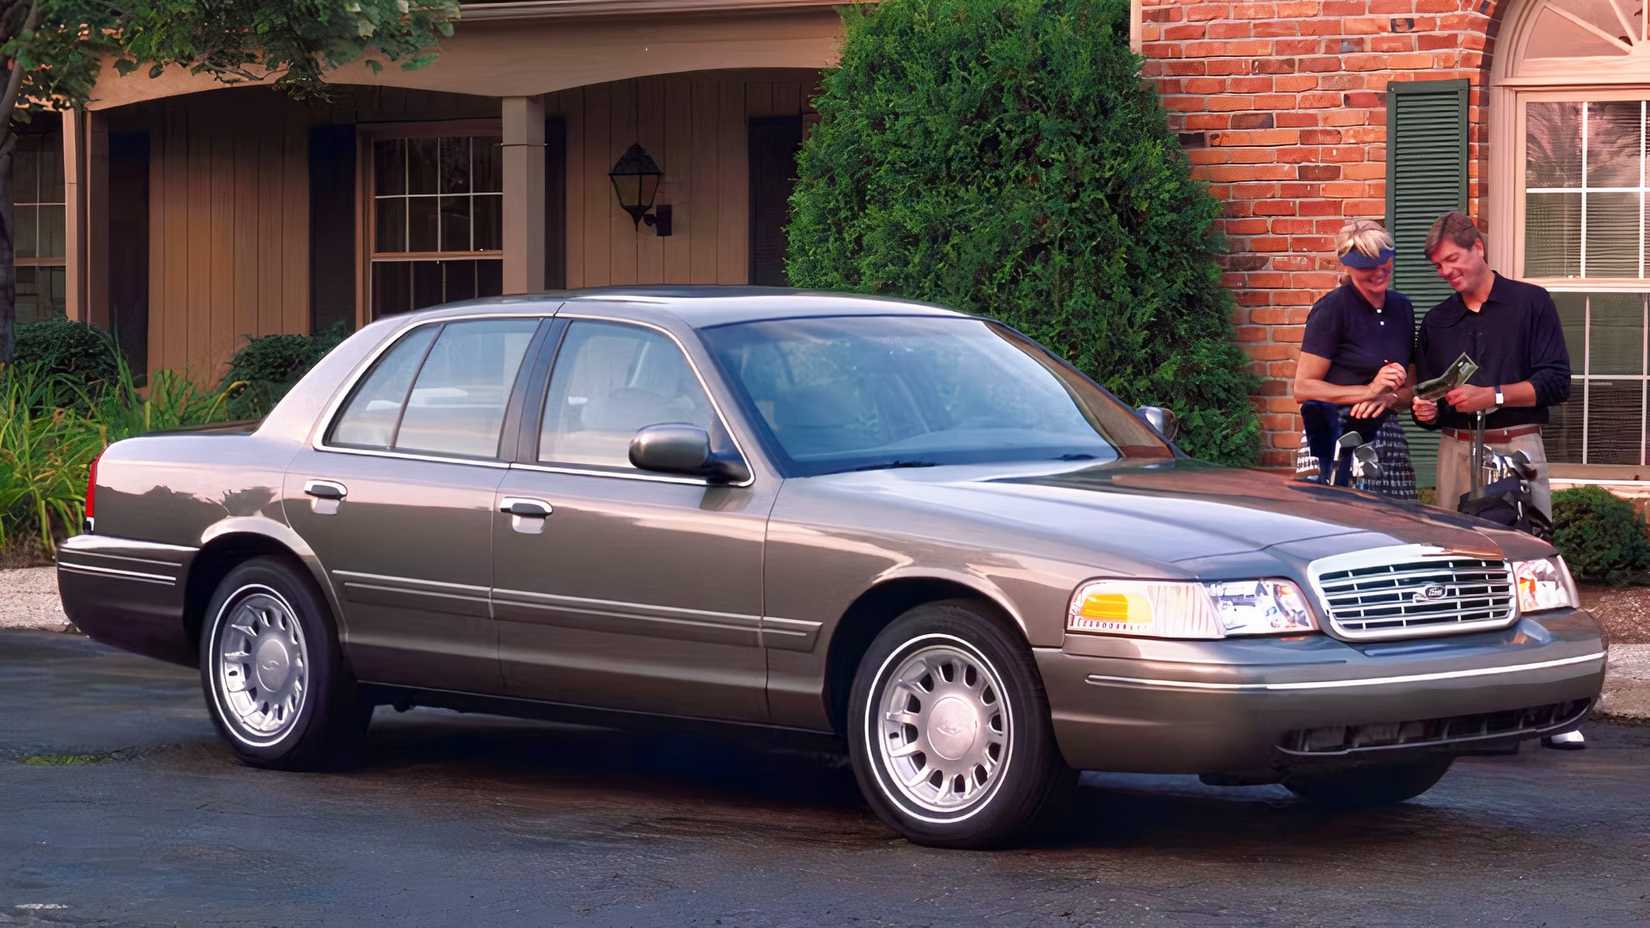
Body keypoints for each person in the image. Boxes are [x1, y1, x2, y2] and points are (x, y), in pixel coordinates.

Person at [1410, 211, 1583, 750]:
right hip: (1456, 453)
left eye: (1453, 260)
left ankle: (1556, 710)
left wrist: (1497, 395)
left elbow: (1558, 382)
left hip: (1518, 448)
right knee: (1458, 576)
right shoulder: (1438, 322)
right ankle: (1468, 709)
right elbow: (1432, 398)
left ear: (1478, 247)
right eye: (1439, 266)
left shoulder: (1531, 303)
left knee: (1529, 572)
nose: (1446, 272)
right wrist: (1425, 411)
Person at [1293, 220, 1417, 498]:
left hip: (1387, 439)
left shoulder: (1402, 308)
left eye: (1383, 263)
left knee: (1398, 531)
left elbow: (1410, 390)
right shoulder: (1332, 308)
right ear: (1345, 266)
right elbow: (1303, 388)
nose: (1377, 273)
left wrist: (1389, 398)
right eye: (1365, 266)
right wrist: (1369, 390)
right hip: (1333, 437)